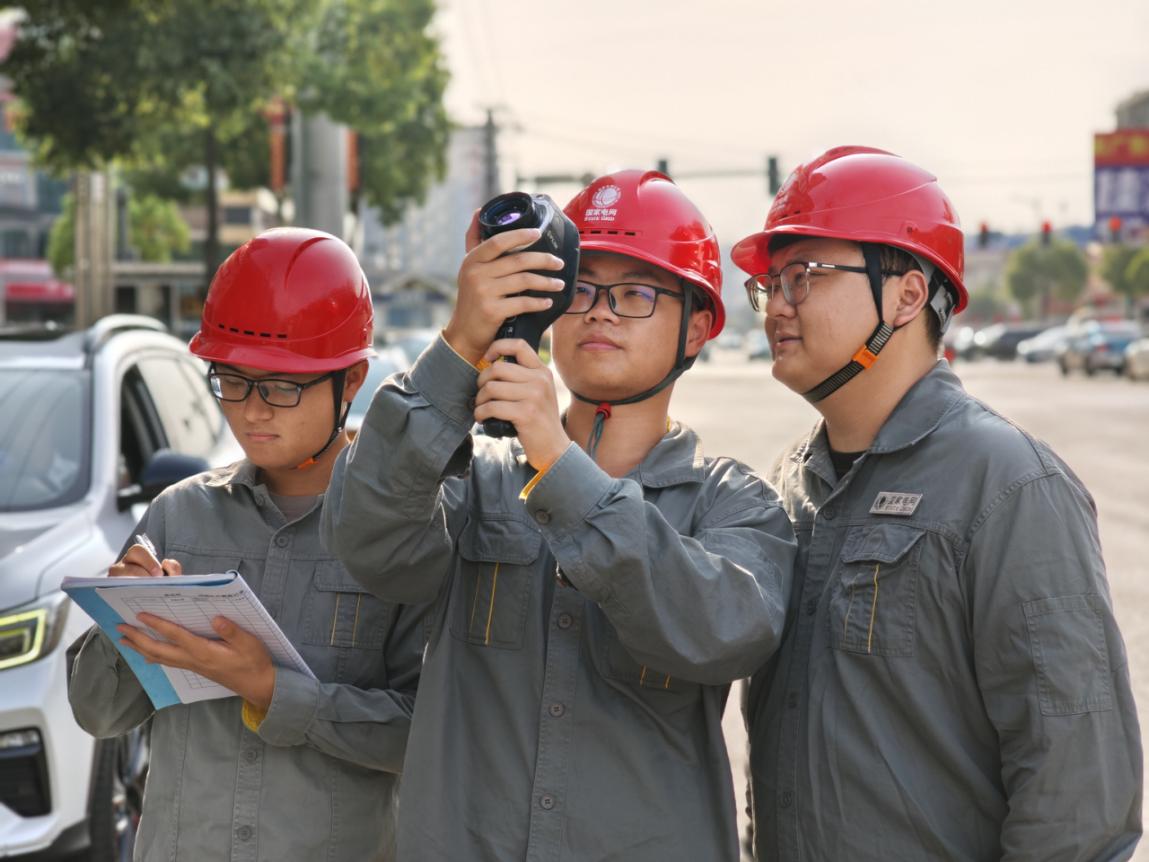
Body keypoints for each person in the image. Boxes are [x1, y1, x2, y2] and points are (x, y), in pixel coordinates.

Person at [322, 169, 796, 861]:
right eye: (577, 290)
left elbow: (719, 634)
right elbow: (368, 542)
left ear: (697, 326)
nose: (598, 312)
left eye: (635, 293)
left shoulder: (733, 503)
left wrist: (557, 461)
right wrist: (460, 344)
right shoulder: (472, 481)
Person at [733, 146, 1142, 860]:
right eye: (770, 285)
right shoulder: (792, 482)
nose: (779, 306)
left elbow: (1077, 801)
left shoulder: (1007, 486)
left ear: (907, 294)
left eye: (806, 276)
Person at [68, 228, 424, 861]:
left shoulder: (404, 533)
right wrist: (122, 618)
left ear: (352, 381)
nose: (254, 410)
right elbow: (98, 714)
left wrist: (271, 689)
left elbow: (422, 737)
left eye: (283, 386)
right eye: (232, 381)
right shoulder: (179, 516)